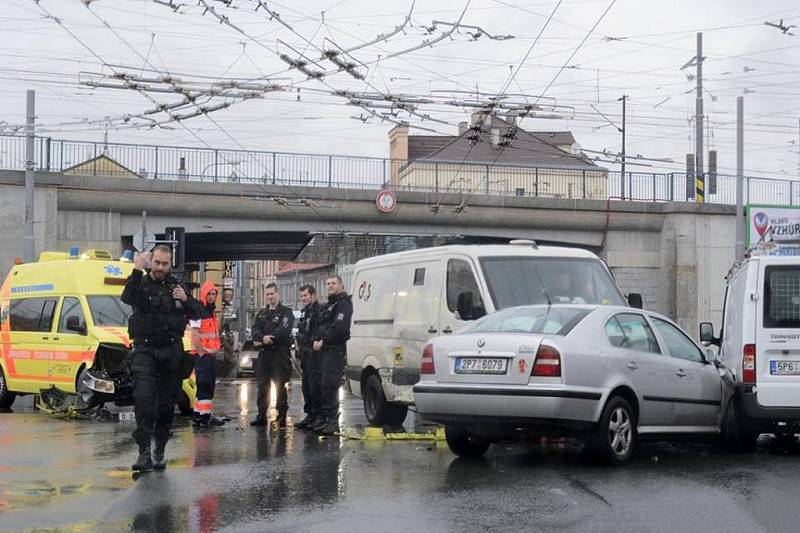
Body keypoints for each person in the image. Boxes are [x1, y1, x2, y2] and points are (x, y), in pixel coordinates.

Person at [122, 245, 202, 471]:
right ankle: (144, 452)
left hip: (171, 352)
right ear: (151, 262)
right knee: (144, 401)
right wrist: (136, 270)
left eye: (164, 264)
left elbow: (198, 314)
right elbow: (127, 297)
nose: (160, 268)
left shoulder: (177, 286)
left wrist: (186, 299)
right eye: (157, 263)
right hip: (145, 351)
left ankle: (159, 450)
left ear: (170, 265)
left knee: (166, 406)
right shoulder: (140, 282)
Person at [311, 275, 353, 436]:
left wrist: (323, 340)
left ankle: (333, 421)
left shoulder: (344, 304)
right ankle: (325, 418)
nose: (330, 286)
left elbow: (339, 328)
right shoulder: (329, 304)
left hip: (335, 349)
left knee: (330, 384)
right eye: (328, 283)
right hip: (323, 350)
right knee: (322, 385)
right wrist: (316, 339)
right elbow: (321, 325)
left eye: (333, 283)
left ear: (340, 285)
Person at [250, 283, 294, 430]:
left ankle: (281, 416)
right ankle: (261, 415)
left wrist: (271, 338)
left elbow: (283, 330)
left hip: (279, 354)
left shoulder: (286, 312)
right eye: (267, 294)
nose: (270, 297)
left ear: (277, 293)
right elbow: (254, 330)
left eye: (272, 294)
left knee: (280, 386)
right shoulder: (262, 313)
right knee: (262, 386)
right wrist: (263, 338)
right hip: (264, 354)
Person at [190, 281, 225, 428]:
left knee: (204, 386)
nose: (212, 296)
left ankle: (199, 415)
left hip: (208, 354)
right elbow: (194, 333)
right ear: (204, 293)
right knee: (205, 385)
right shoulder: (199, 309)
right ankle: (205, 417)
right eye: (209, 293)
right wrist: (202, 352)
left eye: (214, 294)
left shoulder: (209, 310)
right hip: (203, 355)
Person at [294, 285, 322, 430]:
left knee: (314, 387)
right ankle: (310, 415)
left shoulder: (318, 311)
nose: (304, 298)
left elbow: (318, 331)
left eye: (306, 295)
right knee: (306, 387)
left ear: (312, 295)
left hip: (314, 355)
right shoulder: (305, 313)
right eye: (302, 296)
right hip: (305, 354)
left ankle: (317, 416)